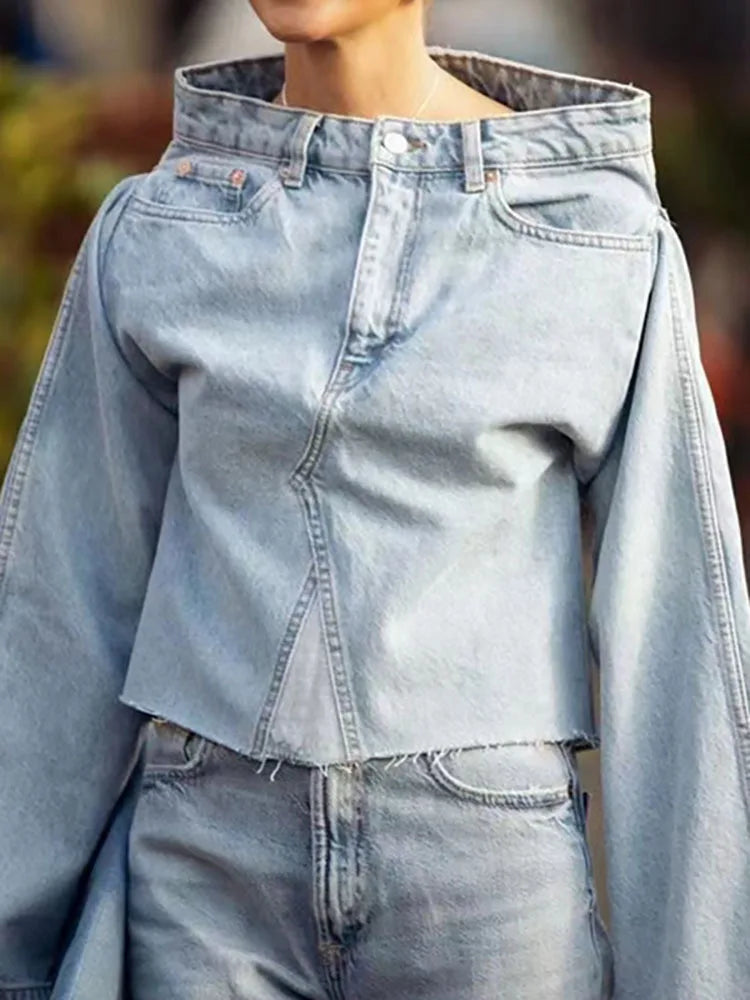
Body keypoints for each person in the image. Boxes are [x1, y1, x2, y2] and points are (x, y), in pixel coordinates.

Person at [1, 1, 749, 998]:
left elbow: (677, 645)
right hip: (205, 878)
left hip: (484, 887)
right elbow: (61, 611)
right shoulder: (163, 227)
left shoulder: (595, 236)